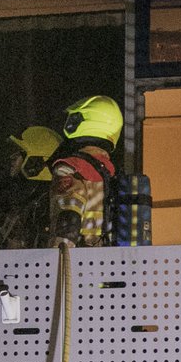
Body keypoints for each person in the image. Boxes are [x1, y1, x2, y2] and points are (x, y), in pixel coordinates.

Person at [48, 96, 122, 248]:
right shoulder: (110, 175)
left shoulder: (70, 168)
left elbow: (69, 221)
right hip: (103, 261)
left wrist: (52, 263)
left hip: (76, 262)